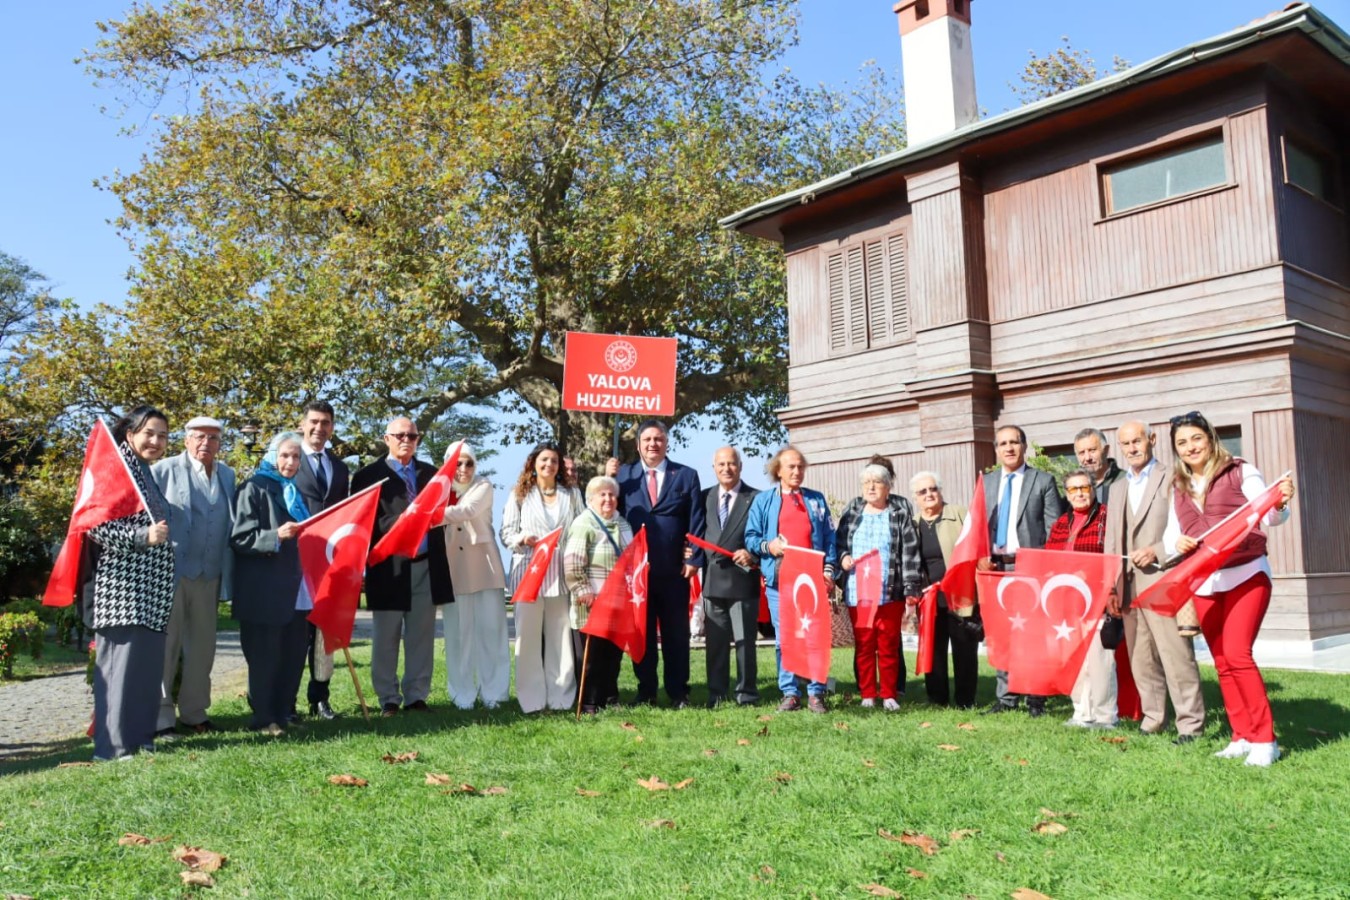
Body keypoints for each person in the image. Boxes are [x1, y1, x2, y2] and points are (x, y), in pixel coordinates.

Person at [1163, 411, 1294, 766]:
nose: (1190, 447)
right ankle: (1242, 736)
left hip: (1247, 574)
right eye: (1182, 443)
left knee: (1237, 654)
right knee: (1221, 662)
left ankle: (1265, 740)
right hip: (1205, 582)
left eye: (1196, 438)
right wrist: (1179, 543)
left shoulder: (1240, 470)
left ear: (1210, 438)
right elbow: (1171, 535)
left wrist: (1281, 501)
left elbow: (1270, 515)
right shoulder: (1178, 486)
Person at [1105, 420, 1205, 744]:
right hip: (1127, 583)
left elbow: (1188, 528)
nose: (1132, 448)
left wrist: (1158, 552)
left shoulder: (1174, 477)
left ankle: (1190, 725)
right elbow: (1111, 540)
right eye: (1125, 444)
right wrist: (1111, 586)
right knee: (1140, 657)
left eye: (1137, 441)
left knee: (1175, 655)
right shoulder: (1117, 487)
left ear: (1152, 439)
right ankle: (1153, 719)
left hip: (1164, 578)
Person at [84, 406, 176, 760]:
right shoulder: (116, 469)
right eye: (149, 433)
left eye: (162, 435)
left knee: (144, 672)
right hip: (123, 592)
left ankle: (139, 741)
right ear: (130, 434)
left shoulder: (144, 471)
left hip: (151, 593)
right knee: (120, 674)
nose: (156, 441)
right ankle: (112, 749)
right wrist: (142, 537)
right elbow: (94, 525)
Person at [350, 417, 455, 716]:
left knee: (421, 636)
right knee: (386, 637)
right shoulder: (368, 477)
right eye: (400, 435)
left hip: (426, 565)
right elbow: (361, 523)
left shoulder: (432, 476)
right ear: (387, 439)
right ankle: (388, 699)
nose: (406, 440)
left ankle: (416, 697)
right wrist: (404, 522)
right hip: (388, 567)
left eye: (412, 436)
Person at [606, 419, 704, 707]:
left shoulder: (686, 476)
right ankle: (646, 690)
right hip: (637, 574)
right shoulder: (623, 476)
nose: (653, 444)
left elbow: (697, 520)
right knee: (642, 635)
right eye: (647, 439)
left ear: (666, 443)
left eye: (658, 439)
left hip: (675, 571)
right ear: (638, 445)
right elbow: (606, 511)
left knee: (676, 635)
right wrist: (607, 477)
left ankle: (678, 692)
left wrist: (695, 558)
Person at [151, 414, 236, 737]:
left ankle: (194, 712)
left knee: (202, 648)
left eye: (213, 438)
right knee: (166, 647)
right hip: (171, 573)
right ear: (186, 439)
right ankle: (160, 719)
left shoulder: (227, 474)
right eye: (199, 436)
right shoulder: (164, 470)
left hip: (209, 573)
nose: (206, 443)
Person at [979, 424, 1065, 716]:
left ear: (1024, 446)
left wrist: (1046, 568)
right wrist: (980, 557)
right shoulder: (986, 483)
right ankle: (1006, 698)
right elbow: (978, 526)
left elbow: (1055, 530)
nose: (1009, 448)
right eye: (1003, 443)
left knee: (1033, 635)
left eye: (1014, 442)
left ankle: (1036, 697)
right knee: (1003, 634)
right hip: (996, 569)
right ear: (996, 449)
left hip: (1031, 568)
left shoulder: (1043, 481)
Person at [745, 446, 837, 714]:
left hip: (812, 581)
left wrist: (829, 571)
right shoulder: (764, 501)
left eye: (800, 466)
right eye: (791, 467)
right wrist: (769, 546)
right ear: (778, 471)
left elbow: (829, 537)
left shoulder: (816, 500)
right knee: (785, 639)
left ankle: (816, 693)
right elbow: (751, 537)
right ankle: (790, 693)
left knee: (813, 637)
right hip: (780, 580)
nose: (797, 471)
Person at [229, 432, 311, 735]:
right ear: (272, 456)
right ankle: (264, 719)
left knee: (292, 654)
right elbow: (240, 537)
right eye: (285, 455)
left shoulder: (294, 492)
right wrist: (275, 536)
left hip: (295, 588)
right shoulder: (253, 488)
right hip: (263, 591)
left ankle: (283, 713)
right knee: (265, 657)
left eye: (296, 457)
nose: (290, 462)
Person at [501, 441, 584, 713]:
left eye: (554, 461)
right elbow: (506, 534)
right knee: (527, 638)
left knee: (560, 637)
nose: (549, 465)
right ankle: (531, 699)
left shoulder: (572, 494)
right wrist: (523, 538)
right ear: (533, 464)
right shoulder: (519, 494)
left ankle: (561, 696)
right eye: (544, 460)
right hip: (529, 571)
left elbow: (581, 527)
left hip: (560, 573)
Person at [835, 464, 921, 711]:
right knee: (864, 645)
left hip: (889, 592)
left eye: (877, 482)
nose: (871, 487)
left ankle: (889, 694)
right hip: (858, 592)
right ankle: (868, 694)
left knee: (888, 645)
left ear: (888, 487)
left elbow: (910, 554)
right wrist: (843, 558)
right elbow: (839, 544)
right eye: (867, 483)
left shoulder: (899, 515)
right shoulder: (852, 515)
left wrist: (911, 589)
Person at [290, 399, 349, 719]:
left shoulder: (340, 468)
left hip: (328, 563)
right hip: (295, 561)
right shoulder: (287, 459)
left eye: (325, 423)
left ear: (332, 427)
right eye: (313, 422)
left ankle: (320, 699)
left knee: (324, 634)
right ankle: (287, 700)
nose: (319, 428)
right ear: (302, 424)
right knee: (294, 634)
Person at [440, 444, 509, 709]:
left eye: (469, 463)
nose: (464, 469)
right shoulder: (439, 490)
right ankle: (461, 694)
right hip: (453, 569)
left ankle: (494, 693)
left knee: (491, 632)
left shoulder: (483, 485)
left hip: (485, 568)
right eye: (457, 463)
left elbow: (466, 511)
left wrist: (425, 513)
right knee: (458, 634)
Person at [1045, 469, 1116, 729]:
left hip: (1097, 600)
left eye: (1084, 488)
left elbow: (1113, 557)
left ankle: (1105, 716)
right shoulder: (1061, 523)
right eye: (1073, 489)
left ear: (1093, 489)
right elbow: (1049, 559)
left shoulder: (1107, 517)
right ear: (1066, 494)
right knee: (1073, 660)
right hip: (1066, 603)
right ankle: (1081, 712)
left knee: (1100, 661)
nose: (1079, 494)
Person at [563, 476, 635, 714]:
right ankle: (589, 702)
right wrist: (584, 592)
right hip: (591, 603)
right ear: (591, 499)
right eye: (602, 494)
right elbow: (573, 563)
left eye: (612, 494)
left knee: (612, 655)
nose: (608, 499)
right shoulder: (583, 523)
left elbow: (632, 558)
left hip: (618, 603)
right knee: (590, 657)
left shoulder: (623, 524)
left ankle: (609, 699)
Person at [698, 446, 760, 708]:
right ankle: (717, 693)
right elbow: (696, 531)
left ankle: (747, 693)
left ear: (740, 466)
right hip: (713, 580)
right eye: (721, 464)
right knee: (715, 643)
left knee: (745, 642)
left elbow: (765, 535)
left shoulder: (756, 498)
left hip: (742, 580)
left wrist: (752, 554)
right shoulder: (704, 497)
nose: (726, 469)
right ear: (714, 467)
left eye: (731, 463)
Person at [910, 471, 978, 709]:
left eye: (933, 489)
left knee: (964, 650)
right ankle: (937, 699)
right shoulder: (913, 524)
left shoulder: (959, 514)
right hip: (930, 597)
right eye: (922, 491)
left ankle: (965, 701)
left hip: (960, 593)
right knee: (934, 650)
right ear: (915, 498)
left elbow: (976, 547)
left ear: (940, 491)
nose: (929, 494)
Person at [1074, 427, 1124, 506]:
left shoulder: (1125, 480)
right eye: (1082, 453)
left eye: (1092, 450)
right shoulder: (1074, 486)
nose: (1087, 458)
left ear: (1106, 450)